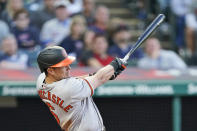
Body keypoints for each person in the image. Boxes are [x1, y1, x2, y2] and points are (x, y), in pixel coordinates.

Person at [36, 46, 127, 131]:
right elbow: (99, 78)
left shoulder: (42, 80)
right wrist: (115, 64)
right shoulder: (70, 89)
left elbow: (75, 81)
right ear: (50, 70)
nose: (69, 68)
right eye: (63, 66)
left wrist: (96, 75)